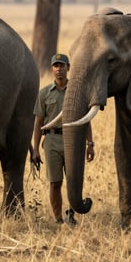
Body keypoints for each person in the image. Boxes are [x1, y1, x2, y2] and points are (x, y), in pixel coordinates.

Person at [32, 53, 95, 225]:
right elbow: (38, 123)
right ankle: (59, 219)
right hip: (52, 141)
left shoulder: (77, 92)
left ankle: (71, 215)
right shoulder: (44, 93)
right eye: (56, 66)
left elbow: (86, 119)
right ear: (52, 69)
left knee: (73, 180)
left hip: (74, 140)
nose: (59, 69)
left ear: (68, 68)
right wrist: (36, 149)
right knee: (55, 182)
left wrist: (90, 144)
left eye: (62, 66)